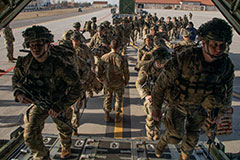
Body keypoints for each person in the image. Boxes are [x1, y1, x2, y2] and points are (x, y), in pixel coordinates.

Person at [152, 18, 234, 160]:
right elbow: (161, 84)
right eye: (214, 45)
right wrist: (156, 108)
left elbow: (227, 93)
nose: (218, 49)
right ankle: (161, 144)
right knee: (175, 136)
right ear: (204, 43)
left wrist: (219, 115)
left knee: (192, 139)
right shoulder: (185, 58)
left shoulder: (225, 66)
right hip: (178, 104)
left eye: (222, 45)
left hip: (200, 108)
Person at [12, 25, 84, 159]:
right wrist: (18, 94)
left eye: (39, 44)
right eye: (32, 45)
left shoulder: (60, 65)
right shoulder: (25, 63)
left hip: (59, 102)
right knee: (29, 135)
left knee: (65, 129)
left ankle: (65, 146)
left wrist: (60, 106)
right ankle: (42, 156)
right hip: (39, 103)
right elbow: (16, 79)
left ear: (47, 45)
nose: (35, 48)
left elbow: (77, 87)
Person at [136, 48, 170, 140]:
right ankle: (149, 135)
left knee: (160, 117)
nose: (161, 65)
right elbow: (138, 83)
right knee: (150, 117)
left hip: (163, 96)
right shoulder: (146, 68)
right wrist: (145, 95)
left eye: (164, 62)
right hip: (150, 95)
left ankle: (156, 132)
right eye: (160, 62)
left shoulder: (169, 68)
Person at [97, 39, 129, 123]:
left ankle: (107, 116)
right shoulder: (122, 58)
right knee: (118, 99)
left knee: (107, 98)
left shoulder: (104, 57)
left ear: (110, 46)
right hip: (118, 82)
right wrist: (126, 80)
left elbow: (99, 71)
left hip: (108, 82)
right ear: (119, 47)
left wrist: (100, 78)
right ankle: (117, 116)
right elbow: (126, 71)